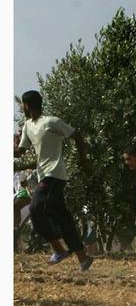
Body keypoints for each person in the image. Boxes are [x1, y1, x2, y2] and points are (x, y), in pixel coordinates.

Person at [13, 90, 93, 271]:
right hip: (44, 175)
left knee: (35, 209)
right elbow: (20, 152)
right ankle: (83, 257)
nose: (22, 109)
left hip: (55, 174)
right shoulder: (27, 126)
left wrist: (83, 161)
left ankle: (58, 249)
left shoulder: (51, 122)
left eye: (23, 106)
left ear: (27, 105)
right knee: (62, 216)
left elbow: (77, 136)